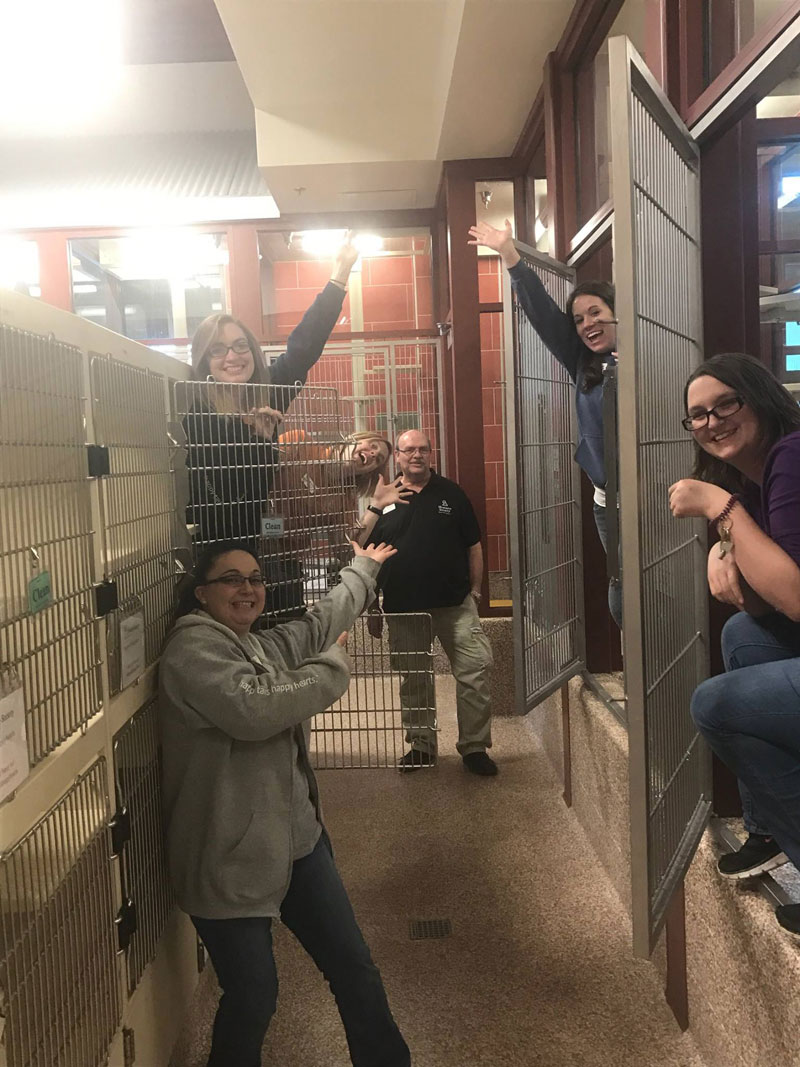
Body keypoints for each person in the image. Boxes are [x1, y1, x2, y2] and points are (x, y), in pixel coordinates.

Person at [159, 538, 411, 1067]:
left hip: (299, 843)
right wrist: (333, 668)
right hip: (229, 862)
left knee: (354, 968)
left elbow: (318, 624)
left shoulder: (257, 645)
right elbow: (253, 710)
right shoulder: (193, 650)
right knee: (253, 997)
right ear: (201, 594)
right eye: (232, 579)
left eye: (255, 579)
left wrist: (364, 567)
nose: (247, 589)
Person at [669, 352, 800, 938]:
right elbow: (760, 602)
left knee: (715, 704)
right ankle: (768, 827)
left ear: (759, 397)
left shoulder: (791, 458)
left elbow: (793, 596)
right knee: (741, 634)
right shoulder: (762, 470)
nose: (712, 421)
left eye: (726, 404)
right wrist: (725, 543)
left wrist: (721, 512)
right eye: (698, 415)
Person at [183, 232, 359, 620]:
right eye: (218, 349)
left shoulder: (266, 394)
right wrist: (255, 439)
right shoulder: (196, 412)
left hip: (270, 554)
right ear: (204, 360)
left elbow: (303, 348)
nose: (232, 356)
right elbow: (215, 494)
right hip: (218, 560)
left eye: (240, 345)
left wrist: (339, 275)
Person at [467, 219, 622, 628]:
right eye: (580, 319)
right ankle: (637, 669)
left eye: (596, 313)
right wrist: (510, 256)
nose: (588, 323)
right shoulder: (584, 363)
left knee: (664, 579)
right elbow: (544, 316)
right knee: (622, 588)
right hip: (608, 500)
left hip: (655, 492)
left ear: (618, 314)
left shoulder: (648, 355)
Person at [361, 428, 496, 776]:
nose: (416, 455)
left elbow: (474, 545)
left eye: (422, 449)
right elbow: (364, 550)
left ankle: (475, 748)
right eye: (408, 451)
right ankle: (421, 745)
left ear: (431, 454)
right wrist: (371, 605)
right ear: (399, 457)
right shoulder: (385, 496)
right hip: (404, 607)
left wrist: (476, 591)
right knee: (415, 678)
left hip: (455, 604)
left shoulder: (451, 493)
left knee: (474, 675)